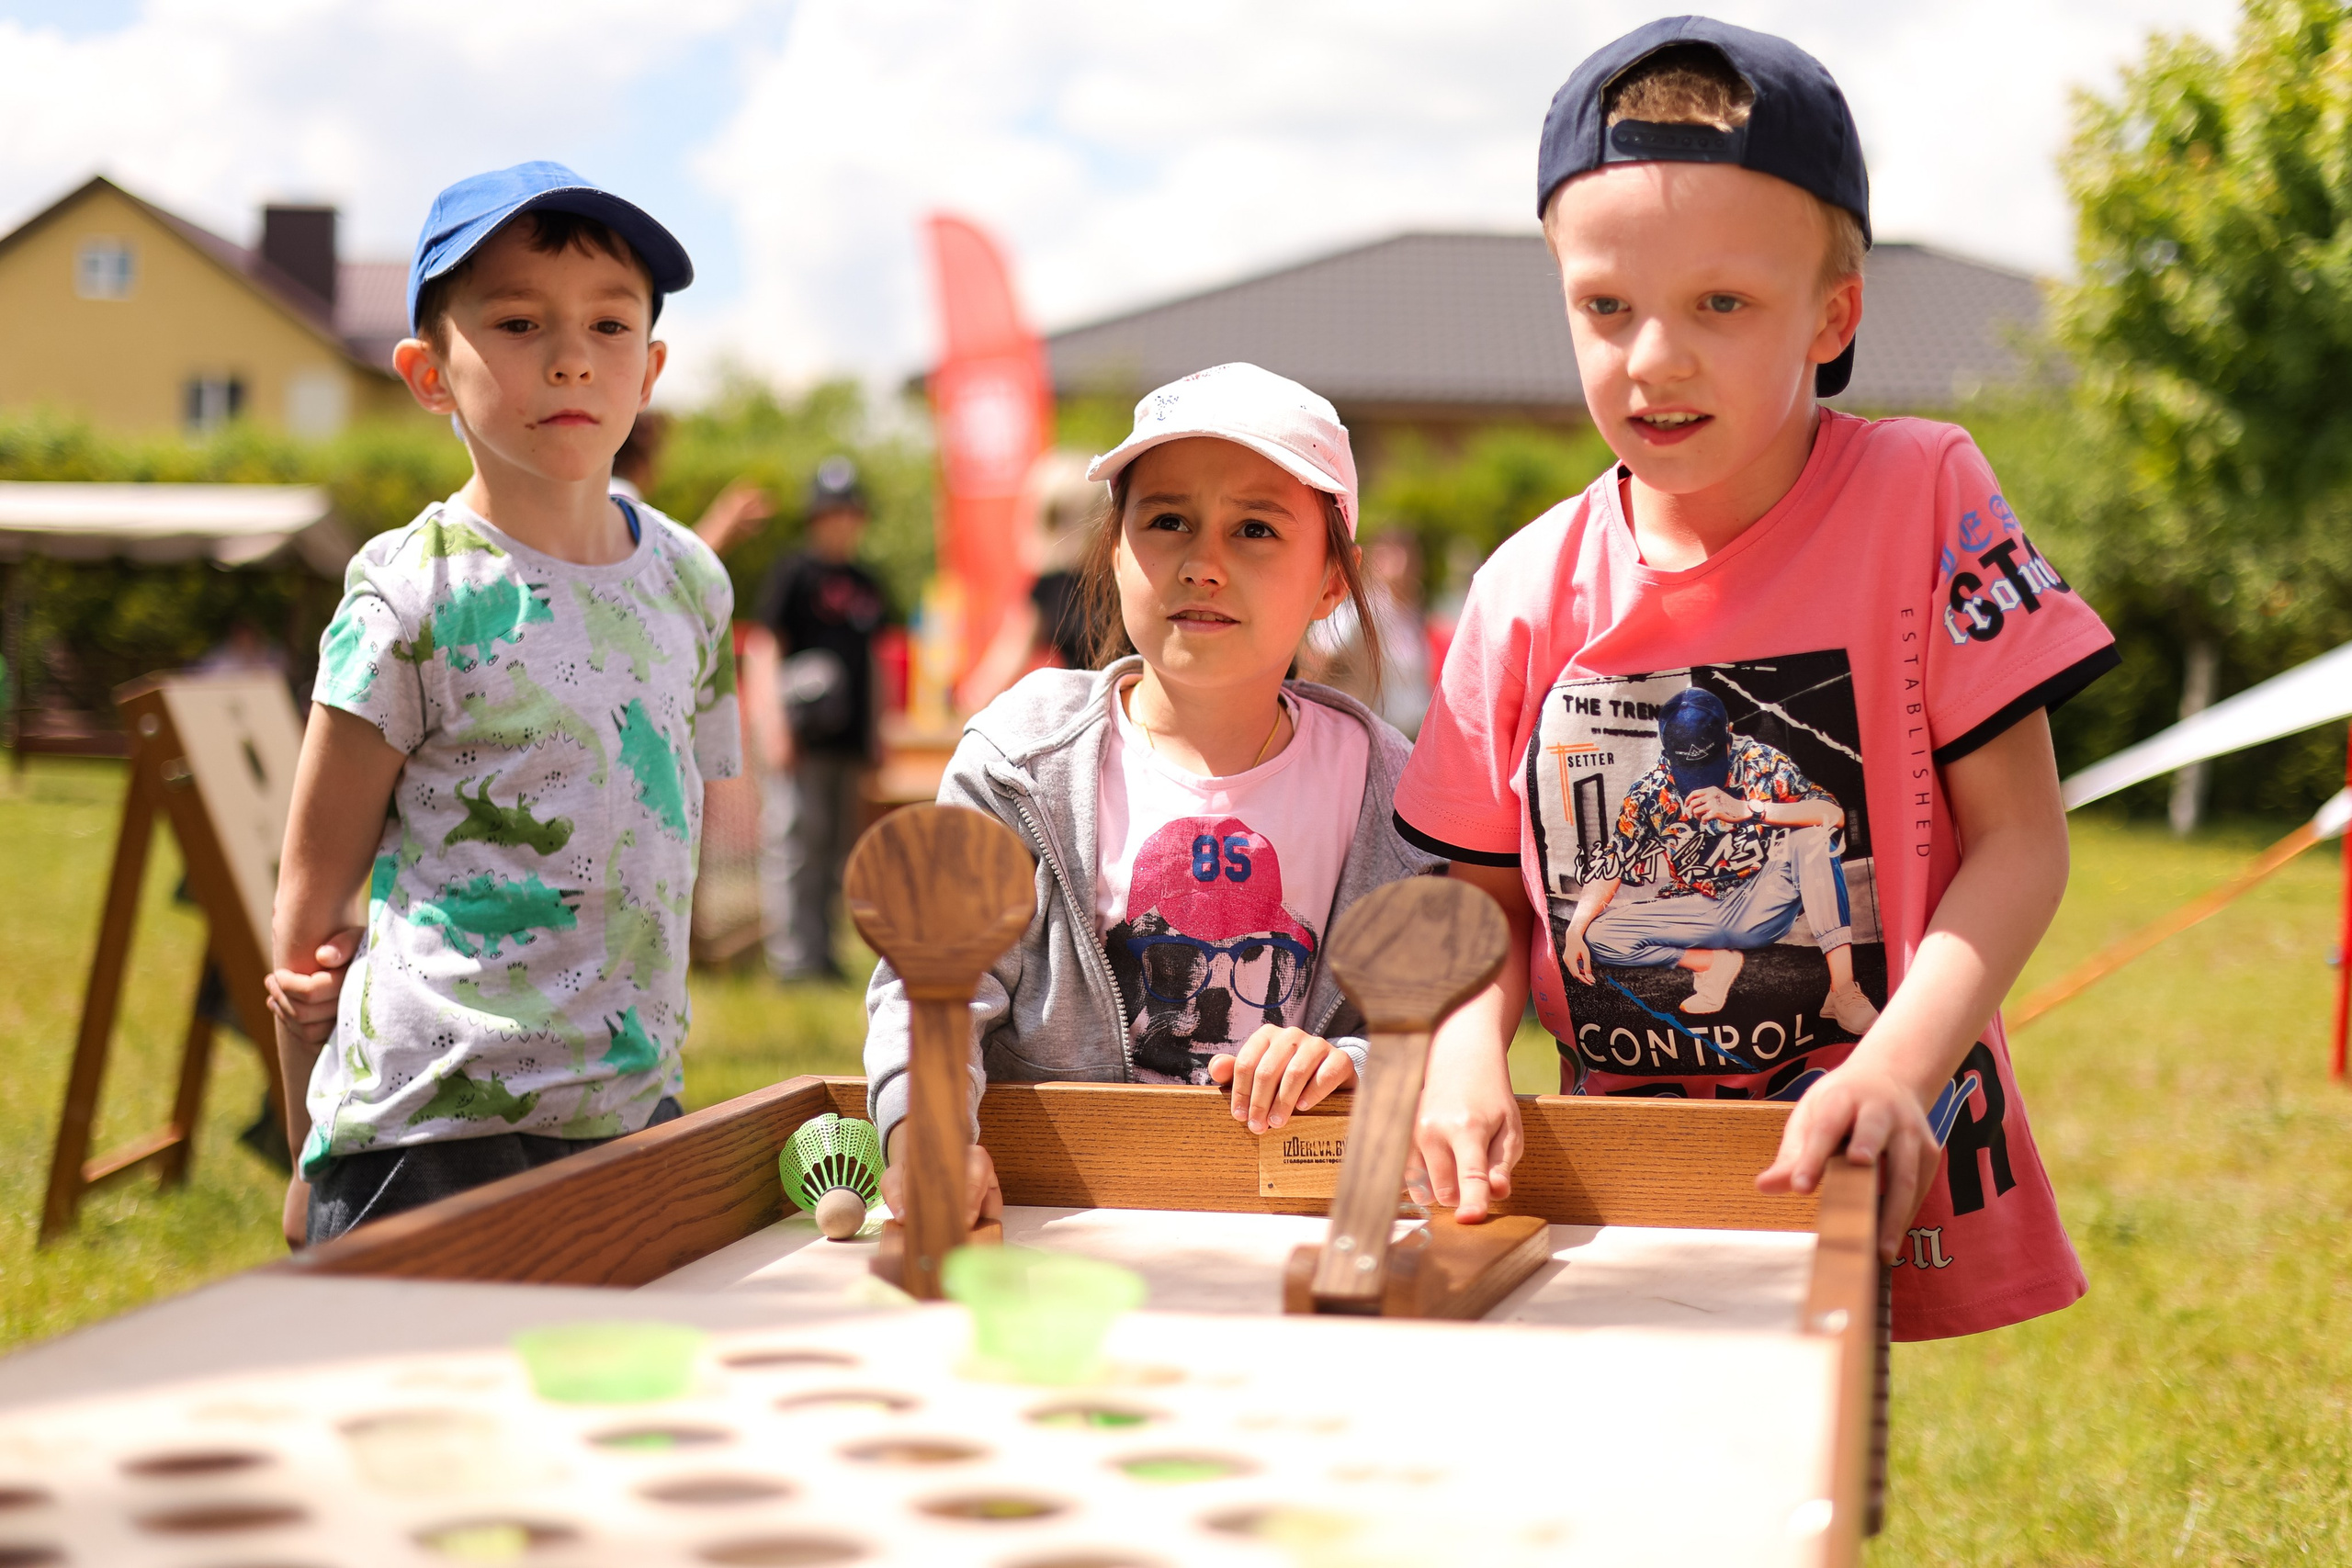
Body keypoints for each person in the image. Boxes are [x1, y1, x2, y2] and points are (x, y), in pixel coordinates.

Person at [1396, 21, 2120, 1342]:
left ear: (1833, 314)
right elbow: (1480, 907)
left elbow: (2021, 844)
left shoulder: (1925, 494)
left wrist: (1897, 1067)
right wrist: (1458, 1056)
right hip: (1613, 1185)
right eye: (1607, 306)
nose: (1653, 356)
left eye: (1721, 304)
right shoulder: (1519, 589)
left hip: (1873, 1149)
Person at [262, 163, 740, 1247]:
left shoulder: (693, 584)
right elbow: (309, 907)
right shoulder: (407, 596)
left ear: (651, 368)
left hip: (631, 1117)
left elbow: (677, 829)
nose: (572, 354)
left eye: (610, 325)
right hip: (426, 1137)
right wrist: (307, 1144)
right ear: (430, 375)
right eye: (519, 322)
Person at [863, 363, 1441, 1222]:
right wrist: (930, 1132)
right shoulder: (1020, 761)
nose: (1203, 564)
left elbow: (1439, 1023)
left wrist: (1350, 1060)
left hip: (1293, 1240)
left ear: (1331, 577)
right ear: (1115, 546)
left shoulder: (1390, 789)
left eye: (1255, 529)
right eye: (1167, 519)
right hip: (1045, 1229)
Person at [744, 458, 892, 981]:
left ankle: (823, 954)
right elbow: (764, 650)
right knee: (793, 847)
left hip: (847, 742)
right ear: (815, 518)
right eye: (831, 513)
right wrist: (772, 727)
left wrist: (878, 730)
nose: (841, 523)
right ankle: (791, 960)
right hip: (800, 740)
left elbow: (875, 661)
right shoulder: (794, 573)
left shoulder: (866, 581)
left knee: (835, 853)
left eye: (849, 513)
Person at [1299, 526, 1431, 735]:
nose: (1403, 563)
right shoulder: (1362, 610)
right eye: (1394, 553)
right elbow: (1317, 656)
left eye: (1408, 554)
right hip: (1369, 737)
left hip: (1408, 739)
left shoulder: (1412, 614)